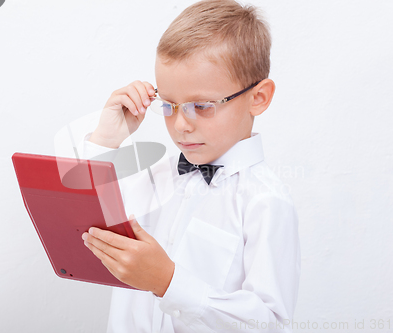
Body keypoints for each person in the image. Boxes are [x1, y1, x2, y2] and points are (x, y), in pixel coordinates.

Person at [80, 0, 301, 331]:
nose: (181, 125)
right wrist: (105, 140)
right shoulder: (153, 177)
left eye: (202, 105)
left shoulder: (265, 202)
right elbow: (85, 222)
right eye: (169, 105)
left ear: (258, 97)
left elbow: (268, 322)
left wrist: (169, 282)